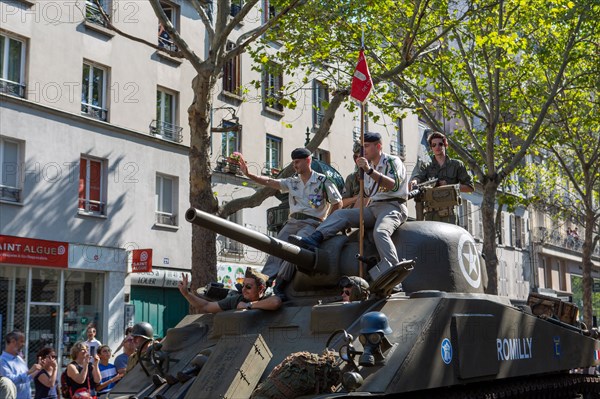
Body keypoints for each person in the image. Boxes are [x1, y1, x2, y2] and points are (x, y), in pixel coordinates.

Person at [289, 132, 409, 275]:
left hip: (393, 206)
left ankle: (393, 271)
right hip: (373, 207)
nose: (363, 150)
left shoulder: (392, 161)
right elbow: (366, 195)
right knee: (341, 214)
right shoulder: (367, 167)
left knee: (381, 232)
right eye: (362, 147)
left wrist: (369, 171)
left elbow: (393, 186)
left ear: (378, 146)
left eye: (367, 146)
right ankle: (315, 238)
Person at [239, 148, 343, 298]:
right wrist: (249, 174)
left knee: (294, 249)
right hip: (292, 222)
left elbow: (338, 202)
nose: (295, 165)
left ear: (308, 161)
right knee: (276, 247)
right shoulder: (292, 181)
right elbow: (270, 181)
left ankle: (281, 281)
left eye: (298, 162)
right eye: (294, 162)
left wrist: (325, 224)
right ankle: (262, 282)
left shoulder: (323, 181)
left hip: (312, 223)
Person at [410, 131, 474, 224]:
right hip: (430, 214)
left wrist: (449, 186)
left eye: (440, 144)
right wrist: (414, 181)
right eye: (434, 145)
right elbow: (418, 177)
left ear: (445, 144)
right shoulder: (426, 166)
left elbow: (470, 187)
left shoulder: (456, 165)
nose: (437, 147)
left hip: (449, 214)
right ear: (431, 147)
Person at [178, 267, 282, 313]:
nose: (244, 290)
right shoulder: (237, 299)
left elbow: (275, 302)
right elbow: (206, 306)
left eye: (248, 287)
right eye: (243, 285)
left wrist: (248, 306)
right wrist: (187, 294)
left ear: (261, 289)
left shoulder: (269, 296)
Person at [0, 330, 42, 399]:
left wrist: (38, 369)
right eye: (21, 341)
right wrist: (29, 371)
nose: (24, 344)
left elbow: (26, 379)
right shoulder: (2, 361)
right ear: (13, 341)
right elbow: (9, 381)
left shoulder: (19, 359)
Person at [340, 141, 366, 209]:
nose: (359, 159)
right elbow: (342, 203)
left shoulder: (376, 175)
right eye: (357, 157)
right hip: (354, 214)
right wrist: (356, 198)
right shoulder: (352, 178)